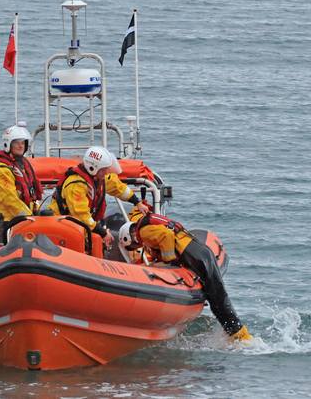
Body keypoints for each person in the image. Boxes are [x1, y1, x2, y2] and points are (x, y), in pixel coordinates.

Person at [117, 211, 253, 342]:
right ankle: (235, 332)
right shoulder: (147, 227)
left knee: (217, 297)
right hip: (198, 252)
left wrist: (169, 262)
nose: (137, 246)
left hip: (194, 255)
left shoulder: (143, 232)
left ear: (129, 237)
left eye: (133, 245)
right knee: (215, 295)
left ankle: (239, 335)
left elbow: (166, 236)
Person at [48, 146, 149, 247]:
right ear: (93, 168)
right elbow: (80, 215)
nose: (106, 172)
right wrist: (102, 232)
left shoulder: (99, 178)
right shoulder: (76, 185)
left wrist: (137, 202)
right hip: (63, 227)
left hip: (81, 227)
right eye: (104, 170)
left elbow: (118, 188)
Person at [0, 125, 44, 244]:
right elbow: (10, 199)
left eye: (23, 143)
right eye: (16, 143)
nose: (20, 145)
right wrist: (30, 217)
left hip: (25, 218)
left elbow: (31, 192)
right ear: (9, 144)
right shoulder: (1, 170)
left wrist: (37, 213)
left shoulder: (23, 165)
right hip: (8, 220)